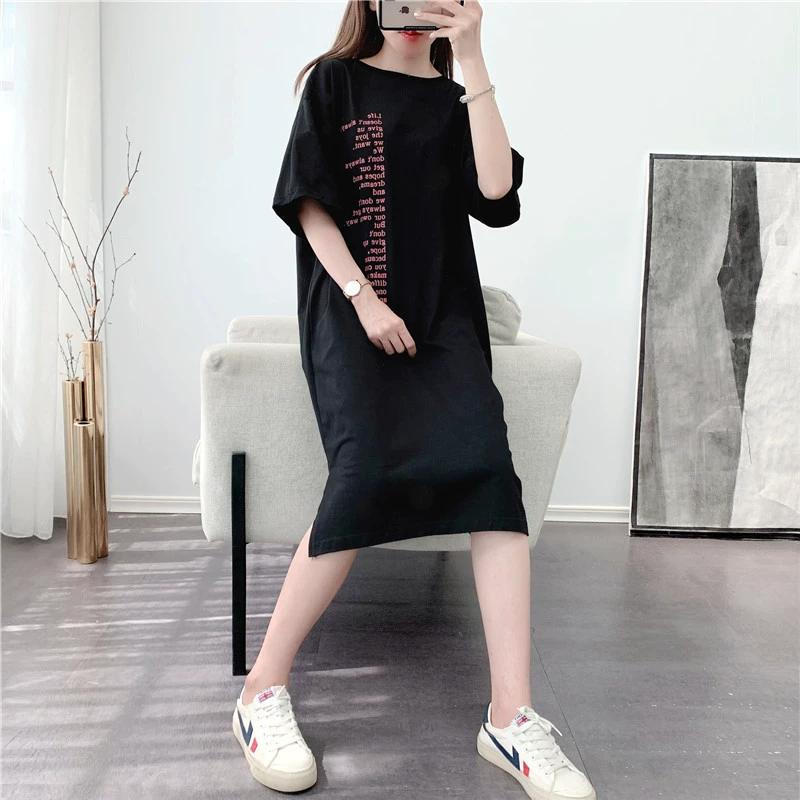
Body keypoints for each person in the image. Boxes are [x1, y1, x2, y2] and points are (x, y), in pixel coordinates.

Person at [232, 2, 596, 798]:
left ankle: (510, 718)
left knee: (492, 480)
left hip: (446, 322)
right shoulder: (334, 83)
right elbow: (309, 205)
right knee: (363, 476)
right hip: (352, 315)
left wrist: (475, 59)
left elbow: (495, 192)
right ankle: (261, 691)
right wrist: (364, 300)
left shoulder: (453, 97)